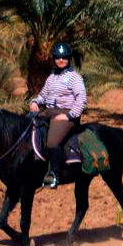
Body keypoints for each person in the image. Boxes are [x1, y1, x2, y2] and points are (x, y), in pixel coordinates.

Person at [30, 42, 87, 189]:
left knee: (52, 141)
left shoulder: (75, 78)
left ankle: (54, 175)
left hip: (67, 114)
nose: (61, 60)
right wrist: (35, 102)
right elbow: (43, 95)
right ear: (54, 58)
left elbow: (81, 100)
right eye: (58, 57)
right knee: (28, 124)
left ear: (69, 59)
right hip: (49, 111)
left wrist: (69, 116)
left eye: (64, 57)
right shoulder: (52, 77)